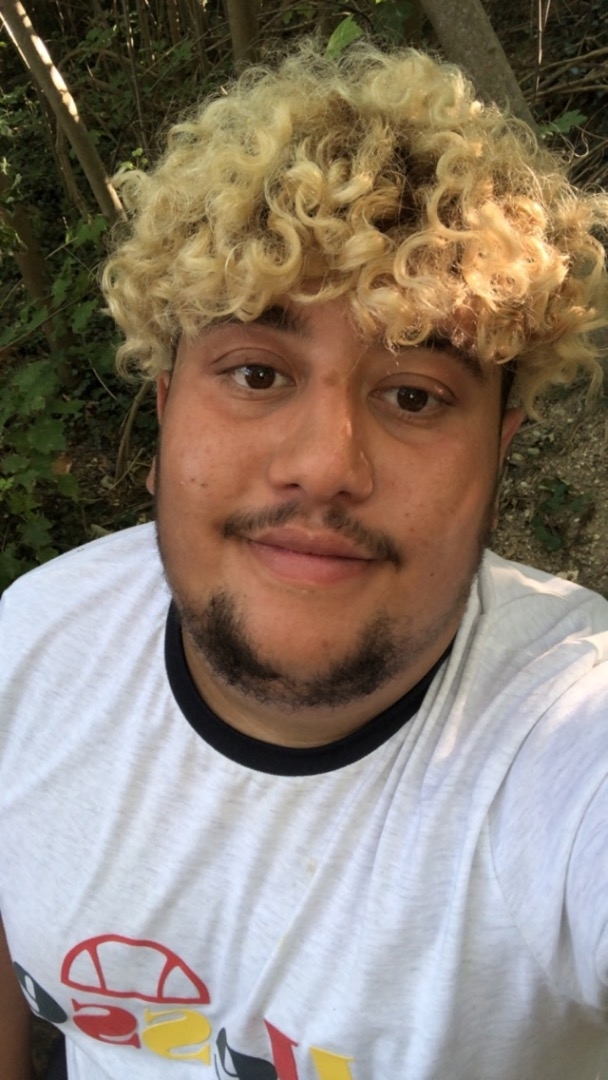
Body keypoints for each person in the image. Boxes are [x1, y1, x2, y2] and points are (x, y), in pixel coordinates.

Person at [1, 40, 608, 1080]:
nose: (326, 464)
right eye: (255, 373)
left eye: (413, 394)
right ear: (166, 412)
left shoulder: (567, 734)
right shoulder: (30, 651)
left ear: (497, 453)